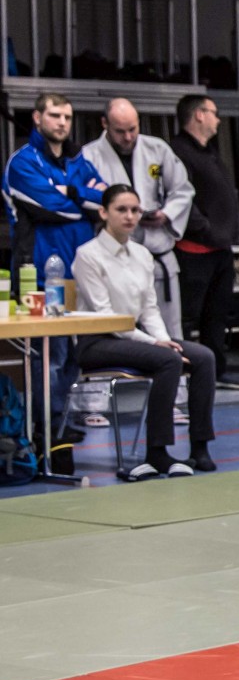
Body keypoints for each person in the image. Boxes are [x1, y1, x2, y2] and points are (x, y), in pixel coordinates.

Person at [72, 184, 217, 480]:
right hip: (97, 340)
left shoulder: (141, 254)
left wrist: (162, 339)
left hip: (134, 337)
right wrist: (155, 344)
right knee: (168, 360)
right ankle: (157, 451)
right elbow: (106, 317)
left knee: (204, 357)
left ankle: (200, 446)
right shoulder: (87, 255)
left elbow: (149, 309)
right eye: (121, 210)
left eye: (135, 210)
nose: (129, 216)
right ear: (103, 213)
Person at [1, 91, 106, 436]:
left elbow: (106, 200)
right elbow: (51, 207)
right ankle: (44, 429)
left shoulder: (78, 160)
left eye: (67, 117)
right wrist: (82, 198)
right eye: (54, 116)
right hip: (41, 276)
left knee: (76, 355)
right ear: (37, 118)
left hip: (82, 271)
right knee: (50, 356)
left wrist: (71, 191)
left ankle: (60, 424)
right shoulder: (22, 162)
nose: (62, 123)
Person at [82, 98, 195, 339]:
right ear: (105, 124)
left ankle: (172, 362)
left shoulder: (157, 149)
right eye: (120, 131)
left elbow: (182, 190)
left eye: (132, 129)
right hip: (116, 259)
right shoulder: (89, 156)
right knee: (122, 331)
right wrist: (122, 213)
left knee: (168, 331)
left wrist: (166, 214)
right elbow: (86, 200)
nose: (128, 137)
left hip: (157, 252)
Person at [171, 93, 239, 391]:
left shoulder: (210, 152)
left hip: (219, 249)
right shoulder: (178, 152)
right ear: (199, 115)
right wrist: (204, 228)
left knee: (217, 316)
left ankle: (214, 370)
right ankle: (181, 370)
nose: (218, 120)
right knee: (188, 316)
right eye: (214, 113)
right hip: (194, 250)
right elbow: (180, 197)